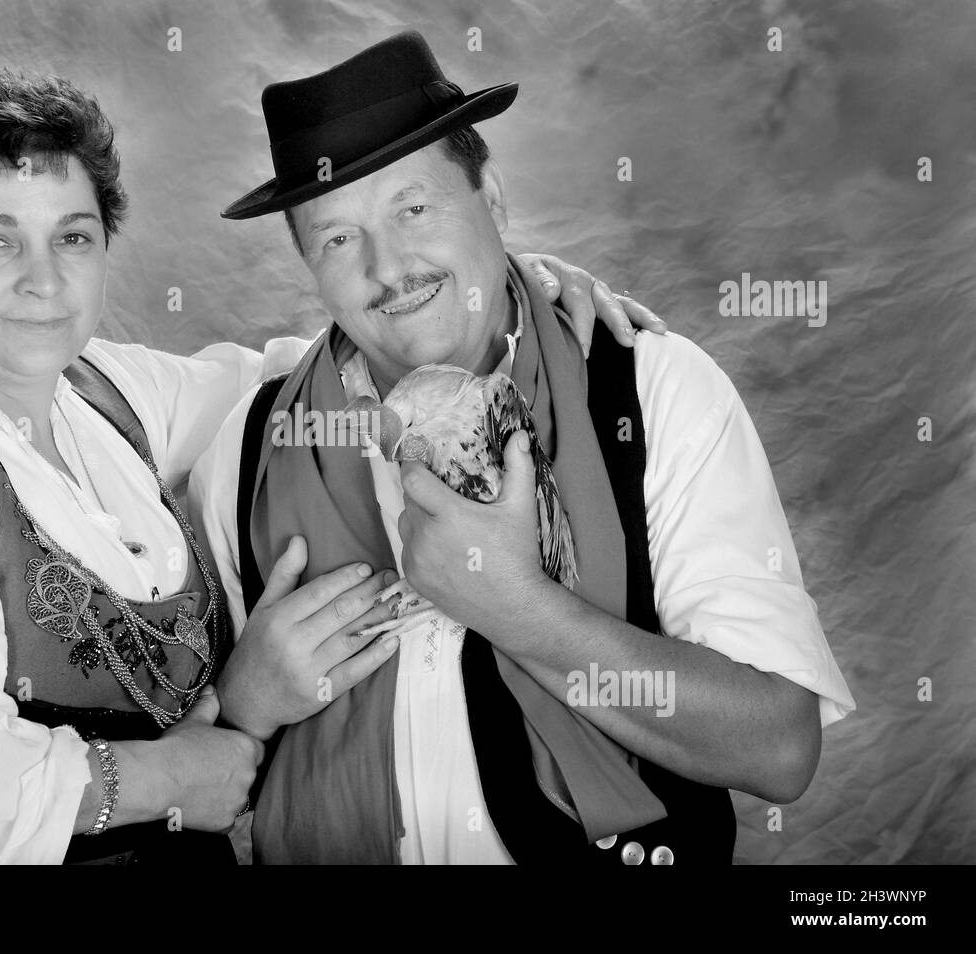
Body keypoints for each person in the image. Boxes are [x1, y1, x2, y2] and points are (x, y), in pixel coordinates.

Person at [0, 67, 651, 864]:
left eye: (72, 237)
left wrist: (492, 283)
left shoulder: (109, 394)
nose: (44, 280)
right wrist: (172, 778)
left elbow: (305, 364)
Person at [192, 31, 857, 864]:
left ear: (493, 197)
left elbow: (780, 750)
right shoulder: (248, 448)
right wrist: (245, 699)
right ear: (308, 266)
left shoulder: (653, 393)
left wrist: (519, 608)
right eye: (335, 238)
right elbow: (193, 776)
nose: (389, 267)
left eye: (415, 207)